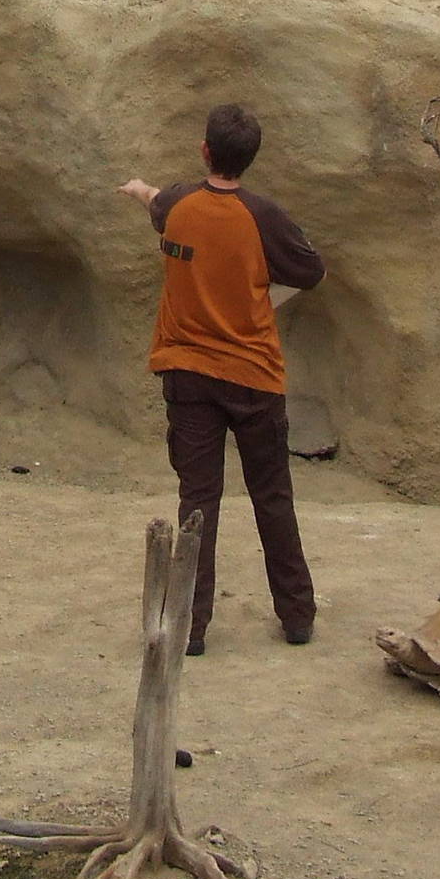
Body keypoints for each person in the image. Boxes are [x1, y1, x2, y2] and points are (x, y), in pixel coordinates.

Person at [119, 103, 325, 655]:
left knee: (197, 501)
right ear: (249, 159)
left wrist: (138, 188)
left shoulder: (178, 204)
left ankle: (192, 627)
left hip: (188, 376)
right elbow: (310, 270)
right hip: (255, 375)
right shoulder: (265, 217)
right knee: (273, 495)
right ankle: (297, 616)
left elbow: (154, 201)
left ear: (205, 150)